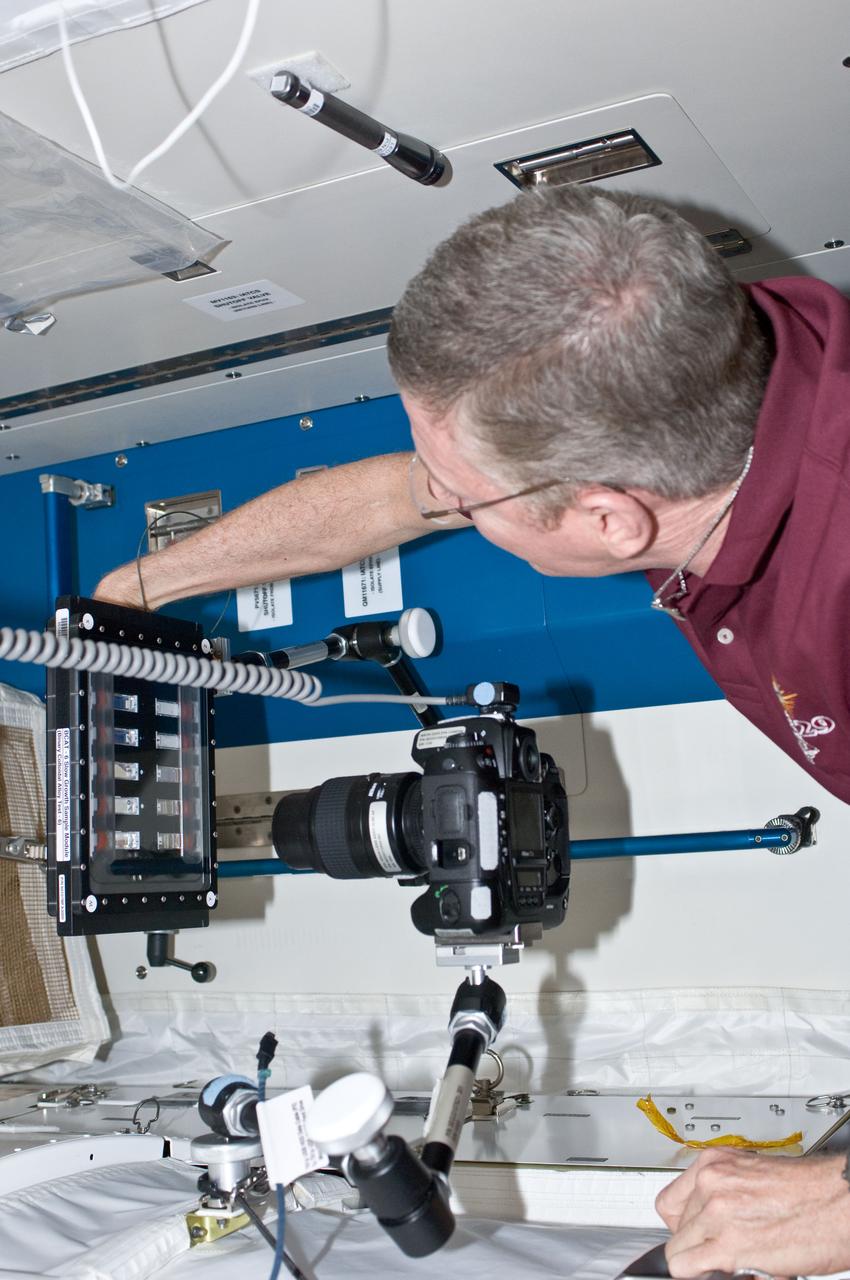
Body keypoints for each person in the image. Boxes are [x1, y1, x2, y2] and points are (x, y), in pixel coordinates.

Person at [96, 183, 850, 1275]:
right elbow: (392, 497)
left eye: (463, 499)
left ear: (607, 519)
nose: (436, 504)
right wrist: (139, 586)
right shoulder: (739, 361)